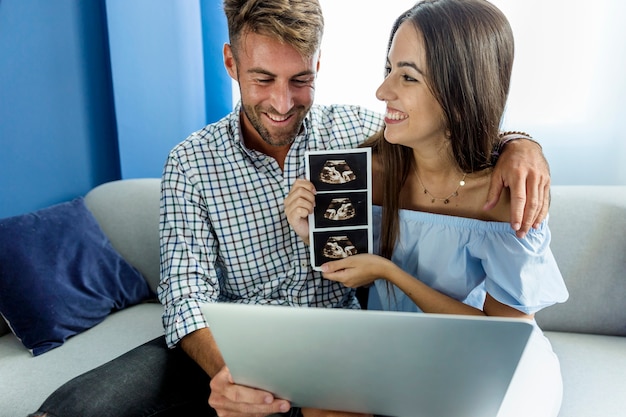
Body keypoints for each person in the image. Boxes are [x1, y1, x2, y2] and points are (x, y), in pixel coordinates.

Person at [29, 1, 551, 417]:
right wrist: (231, 373)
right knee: (78, 408)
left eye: (300, 79)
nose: (282, 103)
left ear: (319, 65)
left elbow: (448, 121)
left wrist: (522, 145)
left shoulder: (356, 134)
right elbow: (185, 293)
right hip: (235, 341)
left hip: (336, 340)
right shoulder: (191, 161)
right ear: (231, 63)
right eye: (262, 79)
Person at [286, 1, 568, 416]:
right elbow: (350, 266)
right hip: (398, 351)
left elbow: (505, 336)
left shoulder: (505, 196)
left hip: (492, 362)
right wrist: (315, 234)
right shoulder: (369, 169)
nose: (383, 92)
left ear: (460, 90)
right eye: (388, 70)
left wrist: (390, 274)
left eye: (408, 76)